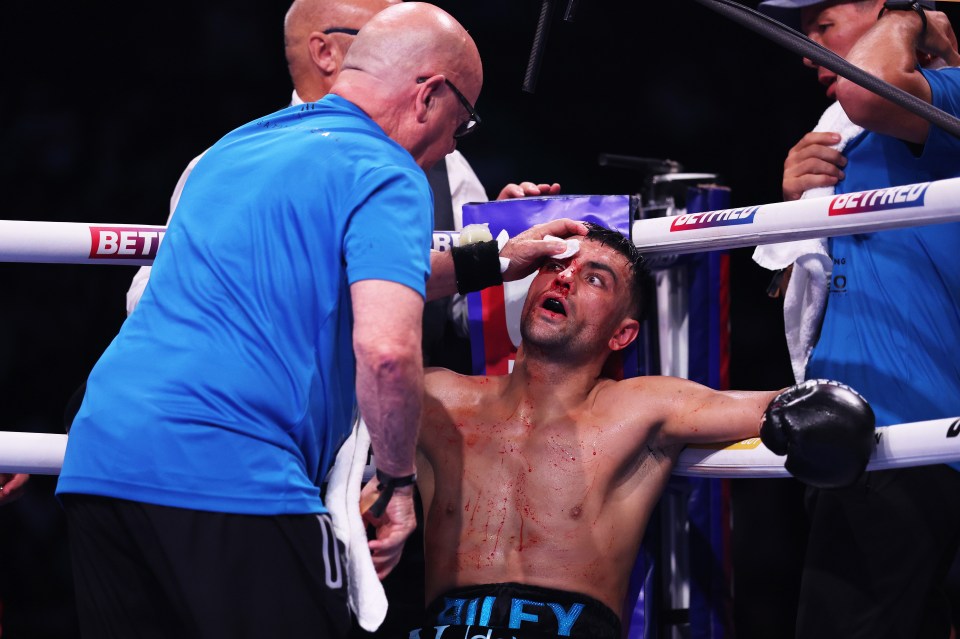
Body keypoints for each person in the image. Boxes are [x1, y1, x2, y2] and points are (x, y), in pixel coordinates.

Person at [53, 5, 578, 637]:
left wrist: (497, 259)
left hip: (101, 460)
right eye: (459, 123)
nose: (448, 145)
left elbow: (368, 266)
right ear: (430, 95)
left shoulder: (237, 147)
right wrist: (396, 482)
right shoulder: (385, 171)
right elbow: (386, 350)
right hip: (226, 463)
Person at [359, 223, 877, 639]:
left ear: (622, 333)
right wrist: (490, 260)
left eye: (594, 278)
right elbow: (328, 308)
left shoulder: (644, 407)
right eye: (557, 266)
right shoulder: (438, 398)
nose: (564, 279)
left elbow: (815, 410)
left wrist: (814, 425)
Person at [754, 1, 960, 636]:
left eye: (823, 27)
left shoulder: (947, 92)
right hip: (849, 439)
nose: (809, 53)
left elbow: (867, 90)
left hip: (916, 439)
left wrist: (909, 17)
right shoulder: (844, 139)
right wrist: (796, 209)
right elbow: (800, 301)